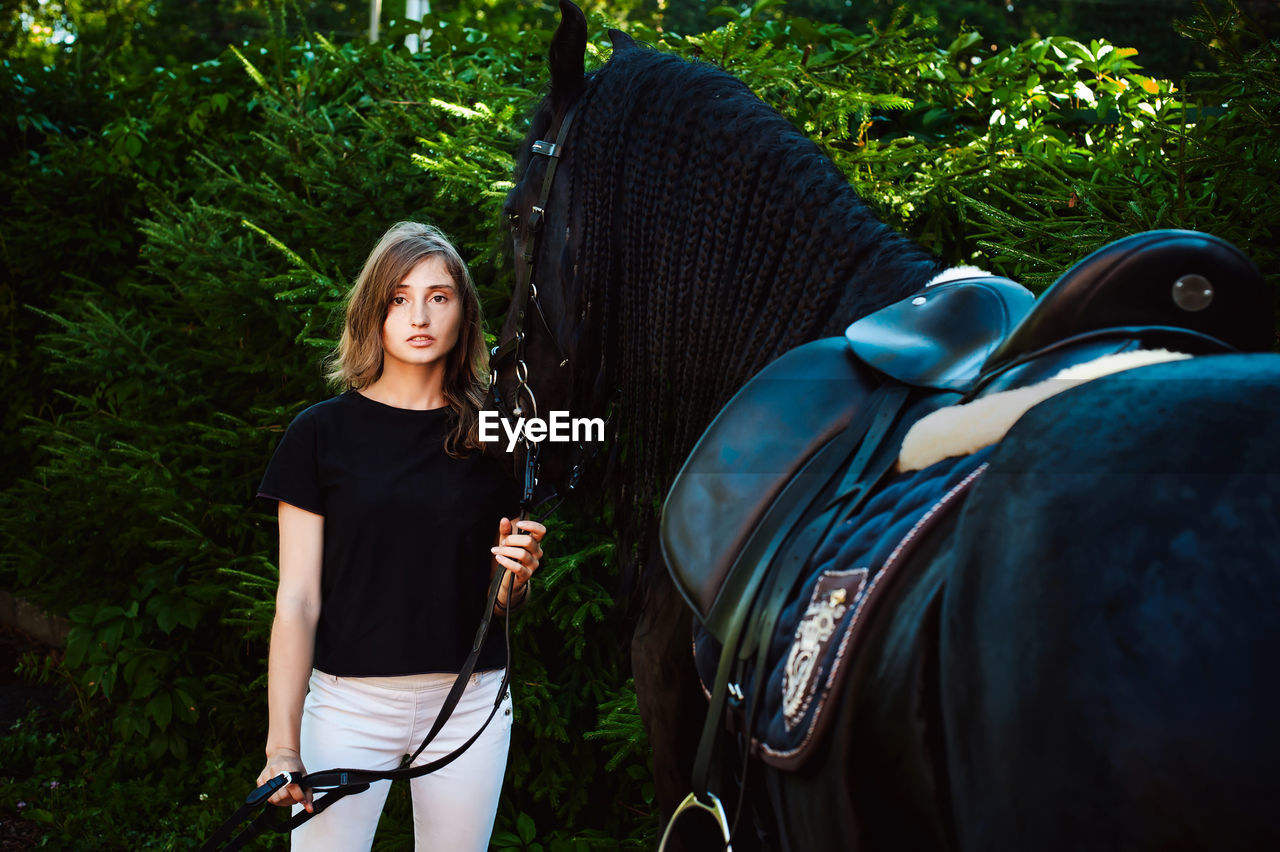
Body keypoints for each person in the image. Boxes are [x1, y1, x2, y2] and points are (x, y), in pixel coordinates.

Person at [253, 221, 545, 851]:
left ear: (463, 314)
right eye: (399, 297)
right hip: (347, 707)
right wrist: (283, 746)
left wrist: (514, 581)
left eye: (439, 296)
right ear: (373, 312)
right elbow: (297, 600)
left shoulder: (501, 436)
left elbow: (502, 608)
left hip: (470, 706)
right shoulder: (319, 435)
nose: (419, 314)